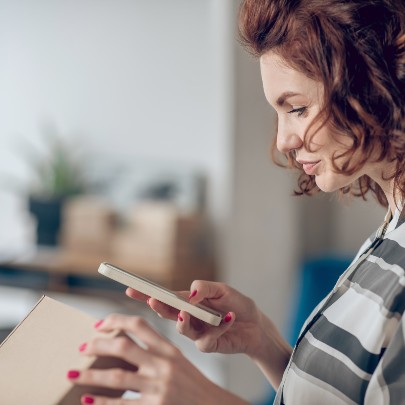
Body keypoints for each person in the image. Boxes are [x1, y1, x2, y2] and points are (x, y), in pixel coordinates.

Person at [67, 0, 405, 403]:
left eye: (297, 108)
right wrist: (262, 341)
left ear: (375, 80)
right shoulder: (389, 232)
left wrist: (206, 399)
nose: (283, 141)